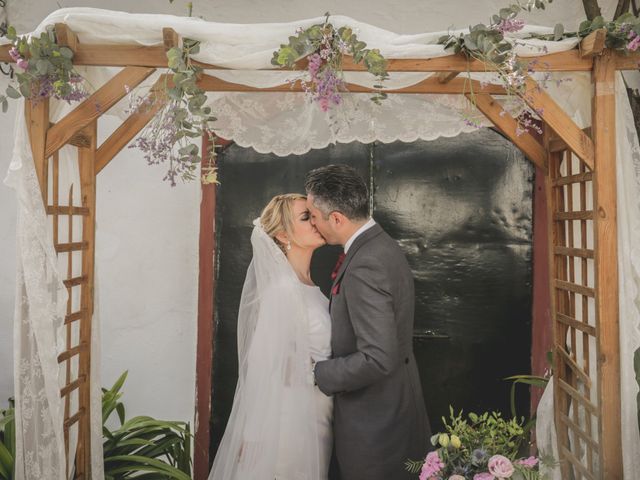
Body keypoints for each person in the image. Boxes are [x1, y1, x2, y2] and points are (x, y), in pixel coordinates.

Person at [305, 164, 430, 480]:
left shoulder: (365, 264)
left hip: (376, 426)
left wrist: (319, 373)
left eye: (314, 216)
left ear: (337, 218)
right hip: (395, 410)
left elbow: (377, 357)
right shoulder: (380, 244)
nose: (314, 223)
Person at [208, 193, 333, 480]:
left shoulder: (310, 287)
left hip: (318, 416)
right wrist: (253, 438)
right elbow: (261, 366)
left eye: (314, 215)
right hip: (290, 422)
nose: (316, 221)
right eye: (306, 217)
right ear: (282, 234)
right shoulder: (282, 291)